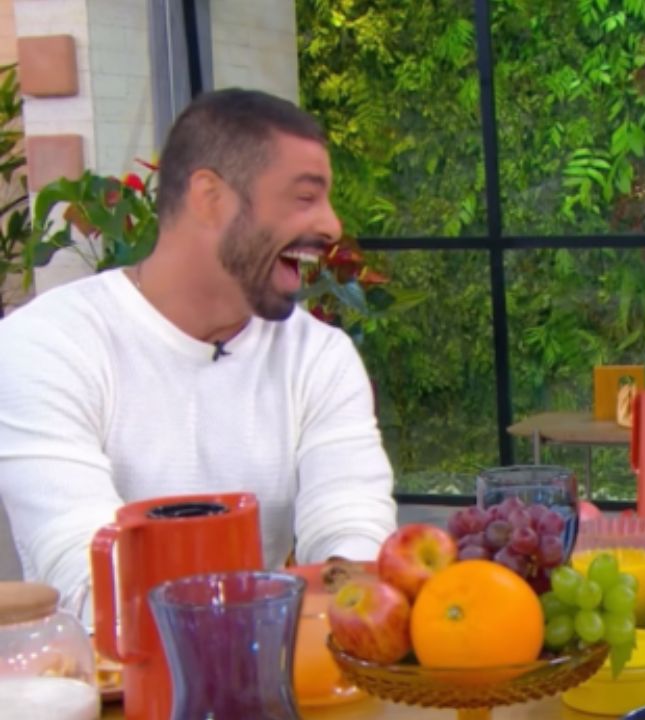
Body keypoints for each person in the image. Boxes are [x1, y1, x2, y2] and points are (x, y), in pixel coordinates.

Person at [0, 89, 398, 616]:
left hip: (266, 656)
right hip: (111, 667)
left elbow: (351, 529)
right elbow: (90, 577)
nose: (332, 226)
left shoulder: (319, 356)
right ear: (211, 198)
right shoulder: (49, 344)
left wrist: (353, 595)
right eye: (304, 198)